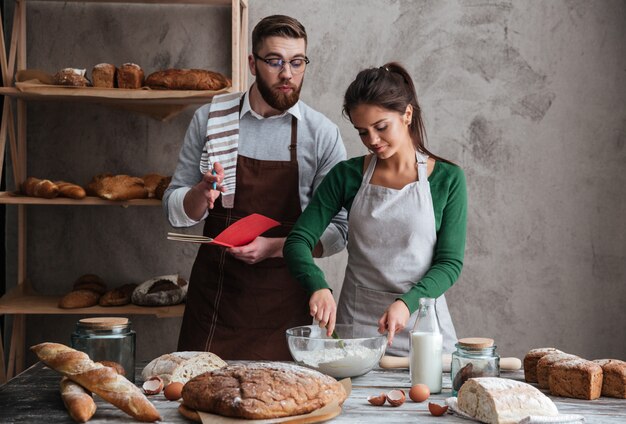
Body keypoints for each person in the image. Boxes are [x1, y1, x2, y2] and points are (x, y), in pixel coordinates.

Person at [163, 15, 348, 360]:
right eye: (275, 61)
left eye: (297, 62)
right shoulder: (211, 119)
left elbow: (339, 230)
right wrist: (199, 196)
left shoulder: (322, 134)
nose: (287, 74)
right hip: (216, 300)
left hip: (286, 305)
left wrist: (277, 247)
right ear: (252, 62)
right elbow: (174, 211)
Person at [284, 62, 467, 356]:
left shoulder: (447, 179)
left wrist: (406, 304)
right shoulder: (346, 176)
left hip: (423, 325)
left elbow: (449, 264)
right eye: (362, 132)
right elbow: (298, 241)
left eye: (381, 127)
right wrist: (317, 285)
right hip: (357, 329)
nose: (373, 141)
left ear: (407, 114)